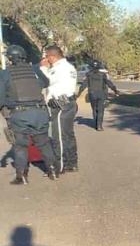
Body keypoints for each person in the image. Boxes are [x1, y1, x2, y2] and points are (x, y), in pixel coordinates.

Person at [0, 45, 58, 185]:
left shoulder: (5, 73)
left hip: (20, 115)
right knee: (44, 143)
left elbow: (1, 98)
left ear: (11, 58)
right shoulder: (35, 70)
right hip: (40, 112)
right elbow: (46, 82)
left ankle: (22, 176)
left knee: (20, 146)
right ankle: (52, 170)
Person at [39, 45, 78, 173]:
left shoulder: (59, 68)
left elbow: (47, 80)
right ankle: (71, 162)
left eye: (47, 56)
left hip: (61, 102)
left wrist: (43, 68)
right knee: (68, 135)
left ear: (53, 56)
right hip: (68, 101)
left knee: (58, 136)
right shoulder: (68, 67)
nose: (46, 59)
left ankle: (58, 166)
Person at [84, 60, 119, 131]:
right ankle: (99, 126)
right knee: (100, 110)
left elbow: (83, 85)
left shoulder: (88, 74)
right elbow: (109, 83)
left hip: (92, 94)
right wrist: (115, 90)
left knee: (94, 109)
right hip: (101, 94)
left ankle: (96, 123)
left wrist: (78, 94)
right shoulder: (102, 75)